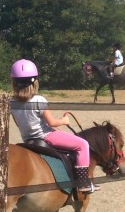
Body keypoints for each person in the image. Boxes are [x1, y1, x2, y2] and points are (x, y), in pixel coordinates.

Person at [10, 59, 93, 193]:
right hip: (46, 136)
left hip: (27, 139)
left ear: (14, 82)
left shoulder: (11, 103)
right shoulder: (39, 100)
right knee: (83, 144)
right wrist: (64, 120)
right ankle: (83, 183)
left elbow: (18, 123)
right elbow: (52, 123)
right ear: (35, 81)